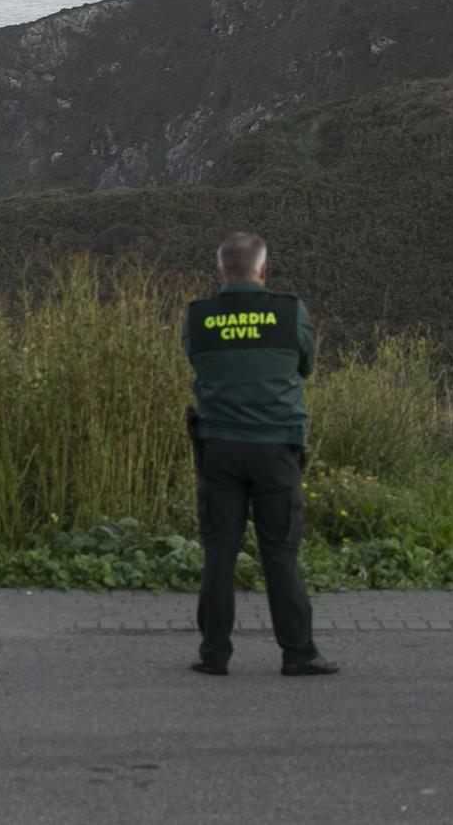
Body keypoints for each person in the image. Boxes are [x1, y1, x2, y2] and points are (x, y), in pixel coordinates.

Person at [183, 232, 338, 677]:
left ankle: (214, 654)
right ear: (263, 270)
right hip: (277, 448)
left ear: (220, 270)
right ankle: (299, 653)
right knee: (280, 553)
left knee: (219, 552)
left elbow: (197, 361)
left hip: (220, 448)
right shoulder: (291, 312)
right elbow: (305, 366)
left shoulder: (199, 318)